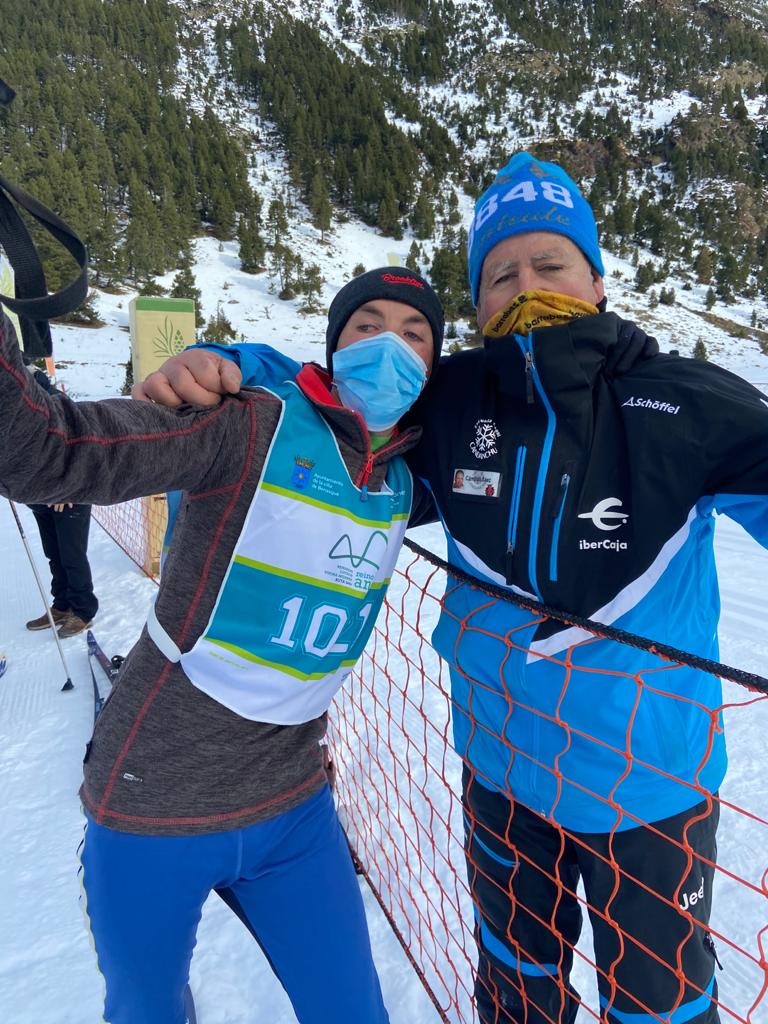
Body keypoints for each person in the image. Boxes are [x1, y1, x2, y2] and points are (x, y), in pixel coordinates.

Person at [141, 153, 768, 1024]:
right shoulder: (457, 399)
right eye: (500, 274)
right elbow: (336, 405)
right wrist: (229, 360)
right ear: (479, 303)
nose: (525, 286)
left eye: (550, 264)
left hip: (648, 794)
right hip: (502, 776)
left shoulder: (685, 401)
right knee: (516, 991)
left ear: (597, 278)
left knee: (659, 1008)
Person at [0, 267, 444, 1024]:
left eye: (414, 334)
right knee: (147, 1012)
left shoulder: (405, 477)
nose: (389, 347)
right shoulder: (249, 425)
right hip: (152, 807)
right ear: (335, 344)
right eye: (367, 325)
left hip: (292, 809)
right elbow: (56, 452)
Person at [22, 366, 98, 638]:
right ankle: (62, 604)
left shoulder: (56, 405)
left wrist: (68, 488)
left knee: (72, 554)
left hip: (70, 494)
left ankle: (83, 609)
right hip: (39, 495)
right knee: (53, 552)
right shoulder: (16, 411)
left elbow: (82, 447)